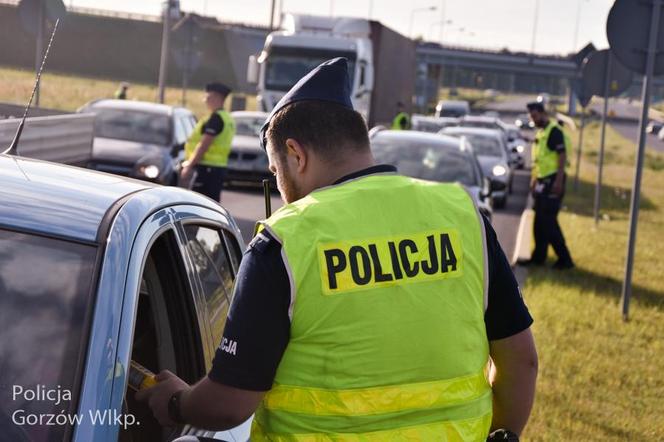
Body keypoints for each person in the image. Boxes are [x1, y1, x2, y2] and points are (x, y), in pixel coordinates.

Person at [137, 58, 538, 440]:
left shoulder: (285, 242)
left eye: (276, 173)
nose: (280, 188)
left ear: (296, 154)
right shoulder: (461, 214)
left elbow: (230, 404)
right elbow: (521, 360)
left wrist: (176, 401)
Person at [519, 101, 574, 270]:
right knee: (540, 222)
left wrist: (558, 181)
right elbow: (539, 161)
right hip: (543, 181)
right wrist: (534, 180)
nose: (533, 119)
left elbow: (562, 156)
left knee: (548, 222)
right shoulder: (541, 133)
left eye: (534, 116)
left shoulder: (554, 132)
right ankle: (538, 258)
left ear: (543, 113)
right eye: (531, 117)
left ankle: (565, 260)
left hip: (553, 181)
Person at [180, 82, 236, 201]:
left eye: (207, 97)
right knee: (211, 202)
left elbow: (204, 145)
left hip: (207, 169)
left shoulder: (216, 118)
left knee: (198, 203)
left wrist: (189, 165)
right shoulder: (227, 117)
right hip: (217, 169)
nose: (205, 100)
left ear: (216, 97)